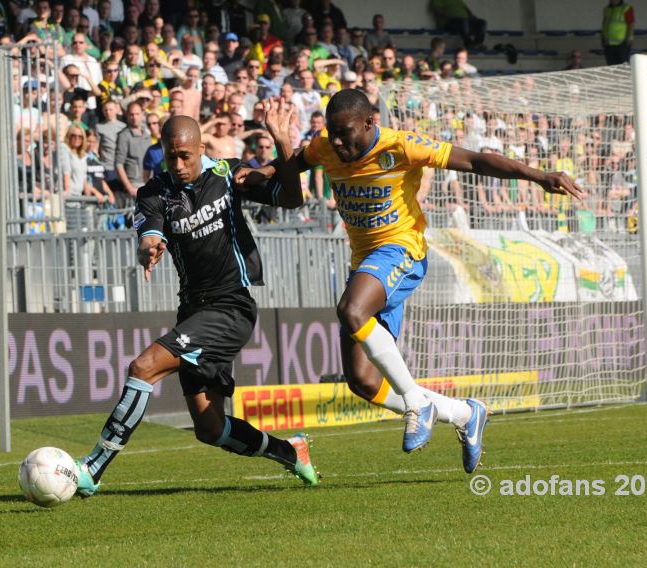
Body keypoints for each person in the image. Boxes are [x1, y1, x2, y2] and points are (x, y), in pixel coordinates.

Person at [237, 89, 585, 471]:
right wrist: (265, 170)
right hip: (366, 265)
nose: (337, 141)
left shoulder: (402, 147)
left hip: (402, 250)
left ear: (370, 122)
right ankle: (464, 414)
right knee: (363, 381)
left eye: (344, 132)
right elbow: (296, 164)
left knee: (351, 310)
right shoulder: (325, 146)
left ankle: (417, 404)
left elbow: (475, 160)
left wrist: (538, 177)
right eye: (331, 133)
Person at [73, 100, 319, 496]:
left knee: (143, 367)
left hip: (232, 306)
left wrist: (282, 141)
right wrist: (148, 246)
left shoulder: (228, 174)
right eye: (171, 156)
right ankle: (290, 451)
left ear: (202, 149)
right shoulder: (153, 192)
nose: (179, 164)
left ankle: (93, 468)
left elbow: (291, 198)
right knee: (209, 428)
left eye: (186, 155)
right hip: (193, 309)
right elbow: (149, 231)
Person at [601, 0, 634, 65]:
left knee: (622, 65)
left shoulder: (626, 8)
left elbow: (631, 24)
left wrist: (628, 38)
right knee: (611, 65)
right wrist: (603, 38)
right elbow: (604, 25)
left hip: (622, 43)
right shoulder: (607, 9)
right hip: (609, 43)